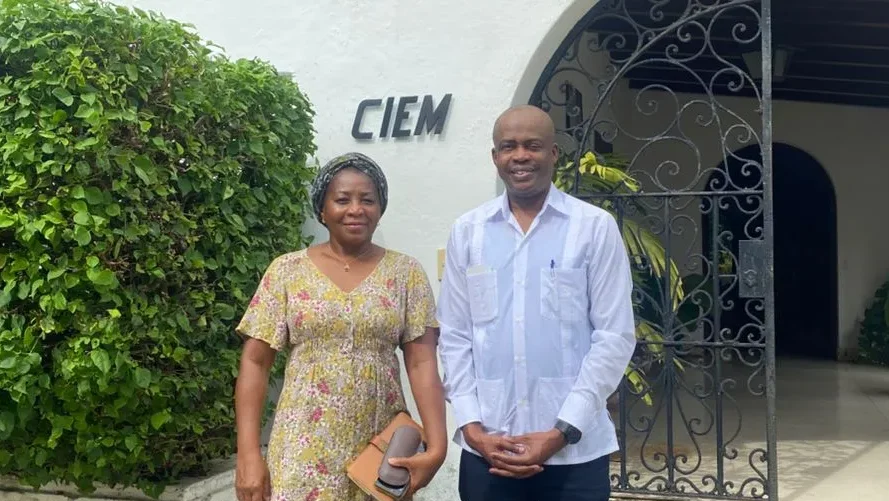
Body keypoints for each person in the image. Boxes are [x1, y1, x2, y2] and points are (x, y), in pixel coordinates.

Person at [437, 105, 637, 501]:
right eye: (508, 146)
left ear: (553, 154)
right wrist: (472, 428)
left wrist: (562, 431)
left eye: (533, 145)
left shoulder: (593, 228)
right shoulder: (468, 232)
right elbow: (455, 335)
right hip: (488, 450)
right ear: (495, 156)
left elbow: (614, 336)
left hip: (575, 454)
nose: (520, 156)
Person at [233, 153, 448, 501]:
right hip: (301, 449)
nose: (356, 210)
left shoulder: (405, 273)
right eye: (343, 199)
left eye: (368, 200)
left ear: (380, 208)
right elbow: (255, 362)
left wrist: (437, 447)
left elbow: (422, 362)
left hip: (378, 450)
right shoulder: (286, 271)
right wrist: (248, 455)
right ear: (322, 209)